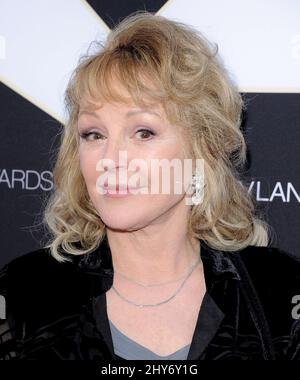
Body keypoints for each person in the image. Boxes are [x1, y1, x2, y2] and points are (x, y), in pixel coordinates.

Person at [0, 10, 300, 361]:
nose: (111, 157)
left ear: (204, 148)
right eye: (93, 134)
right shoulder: (22, 295)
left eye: (143, 132)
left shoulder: (280, 294)